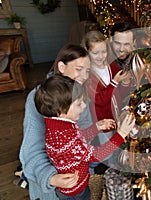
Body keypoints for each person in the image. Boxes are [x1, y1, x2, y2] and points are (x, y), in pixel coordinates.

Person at [19, 44, 101, 199]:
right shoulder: (41, 98)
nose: (84, 76)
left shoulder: (80, 93)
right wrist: (50, 178)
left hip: (82, 178)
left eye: (87, 71)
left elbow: (84, 137)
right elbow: (32, 151)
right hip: (58, 187)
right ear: (61, 67)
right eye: (78, 69)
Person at [34, 75, 135, 199]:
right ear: (60, 111)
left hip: (77, 185)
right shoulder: (66, 139)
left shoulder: (60, 127)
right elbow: (97, 155)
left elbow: (79, 138)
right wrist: (121, 134)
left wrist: (96, 127)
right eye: (78, 104)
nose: (83, 106)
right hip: (75, 192)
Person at [81, 30, 130, 141]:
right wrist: (115, 82)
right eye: (95, 53)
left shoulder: (112, 67)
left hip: (118, 117)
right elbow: (99, 100)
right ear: (87, 52)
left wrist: (126, 82)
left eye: (103, 52)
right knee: (108, 151)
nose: (100, 56)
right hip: (103, 123)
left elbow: (121, 93)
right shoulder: (88, 75)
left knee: (120, 145)